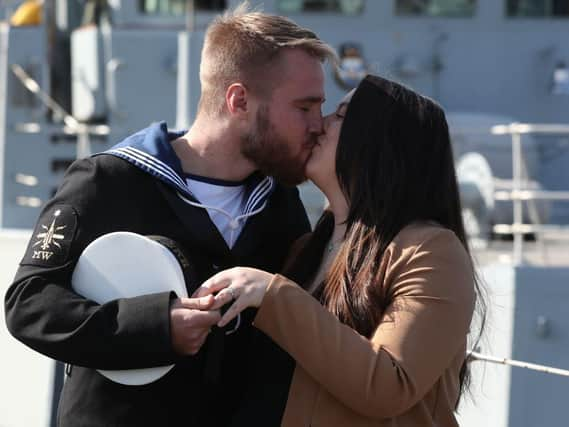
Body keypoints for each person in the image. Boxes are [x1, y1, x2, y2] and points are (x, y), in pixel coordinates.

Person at [4, 4, 336, 427]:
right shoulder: (109, 180)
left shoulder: (278, 202)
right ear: (239, 100)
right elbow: (29, 303)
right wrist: (156, 326)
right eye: (304, 108)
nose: (318, 125)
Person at [198, 74, 485, 427]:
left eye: (341, 115)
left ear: (379, 141)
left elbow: (389, 384)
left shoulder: (431, 251)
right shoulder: (307, 249)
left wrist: (273, 295)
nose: (320, 125)